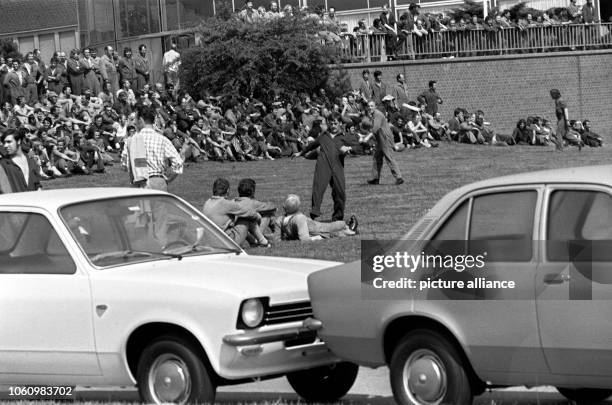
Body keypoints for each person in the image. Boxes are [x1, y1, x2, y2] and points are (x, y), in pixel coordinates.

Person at [293, 114, 353, 221]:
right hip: (323, 165)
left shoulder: (344, 136)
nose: (333, 125)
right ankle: (314, 213)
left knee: (340, 192)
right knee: (318, 188)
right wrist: (300, 153)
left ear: (340, 124)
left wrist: (349, 148)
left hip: (337, 167)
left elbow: (357, 145)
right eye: (331, 123)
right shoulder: (323, 136)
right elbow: (312, 146)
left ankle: (338, 217)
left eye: (335, 123)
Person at [121, 105, 183, 191]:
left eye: (135, 119)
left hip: (140, 183)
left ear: (141, 120)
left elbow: (125, 165)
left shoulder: (131, 141)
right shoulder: (163, 139)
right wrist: (166, 180)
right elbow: (178, 163)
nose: (134, 123)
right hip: (159, 182)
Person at [202, 178, 266, 247]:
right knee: (246, 218)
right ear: (227, 190)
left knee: (238, 219)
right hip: (226, 241)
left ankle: (254, 242)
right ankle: (263, 242)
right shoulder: (225, 203)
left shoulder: (207, 203)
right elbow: (247, 212)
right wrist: (258, 217)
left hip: (211, 240)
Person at [278, 194, 357, 241]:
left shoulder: (286, 219)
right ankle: (347, 227)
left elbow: (304, 239)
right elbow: (304, 239)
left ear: (284, 207)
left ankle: (347, 224)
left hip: (313, 226)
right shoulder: (292, 219)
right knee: (328, 228)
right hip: (313, 227)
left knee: (328, 227)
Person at [365, 101, 404, 185]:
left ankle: (399, 177)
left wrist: (367, 137)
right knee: (376, 158)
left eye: (372, 106)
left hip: (385, 138)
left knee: (389, 157)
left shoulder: (378, 114)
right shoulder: (373, 115)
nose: (370, 108)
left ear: (375, 107)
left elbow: (375, 128)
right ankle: (375, 178)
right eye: (369, 106)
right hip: (380, 139)